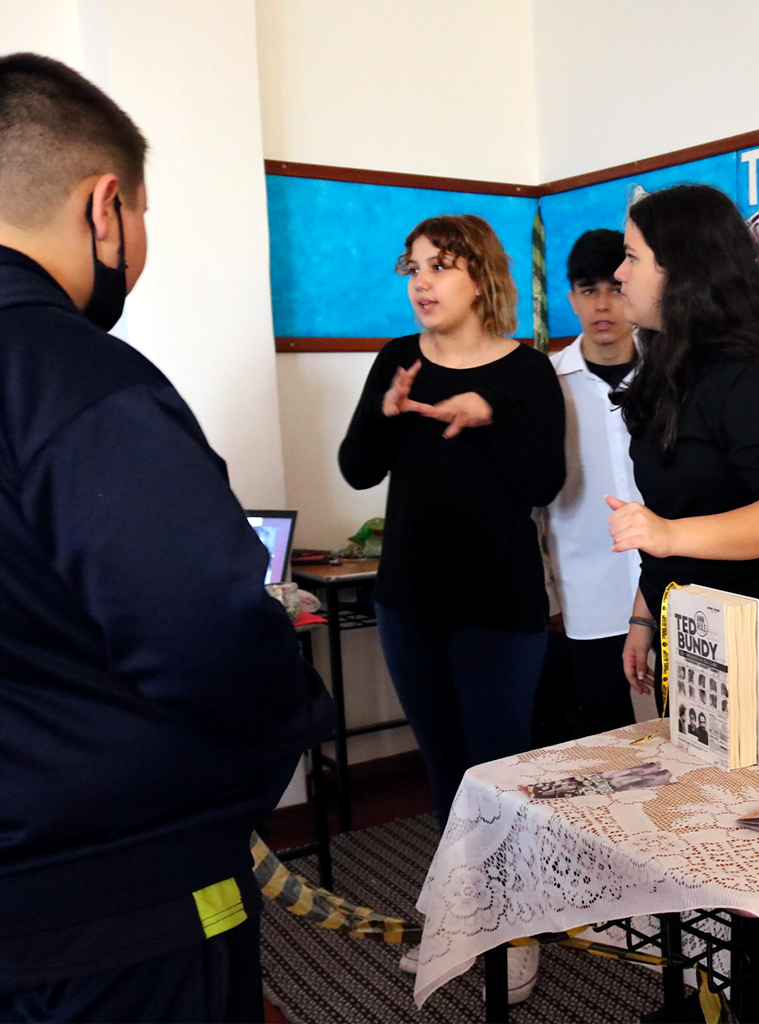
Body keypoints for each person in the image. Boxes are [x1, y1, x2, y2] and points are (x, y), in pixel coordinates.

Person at [0, 54, 335, 1023]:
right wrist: (287, 718)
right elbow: (210, 635)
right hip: (114, 917)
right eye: (143, 216)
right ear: (105, 207)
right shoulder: (81, 382)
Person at [337, 214, 564, 994]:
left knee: (498, 772)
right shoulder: (397, 360)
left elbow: (543, 483)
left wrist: (492, 416)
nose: (422, 282)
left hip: (498, 606)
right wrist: (385, 411)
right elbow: (357, 469)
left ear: (481, 277)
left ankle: (516, 925)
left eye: (441, 266)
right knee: (444, 769)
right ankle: (463, 916)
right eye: (414, 267)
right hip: (410, 602)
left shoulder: (526, 371)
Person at [607, 183, 759, 714]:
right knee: (691, 765)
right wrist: (644, 615)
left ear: (681, 269)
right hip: (691, 623)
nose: (619, 274)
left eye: (631, 257)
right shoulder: (671, 370)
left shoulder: (755, 376)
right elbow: (676, 510)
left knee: (753, 771)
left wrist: (668, 535)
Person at [540, 229, 641, 736]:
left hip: (673, 586)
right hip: (584, 593)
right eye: (588, 290)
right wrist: (551, 598)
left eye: (615, 289)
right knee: (606, 737)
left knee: (690, 732)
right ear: (572, 298)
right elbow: (535, 505)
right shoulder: (545, 383)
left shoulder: (671, 374)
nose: (603, 304)